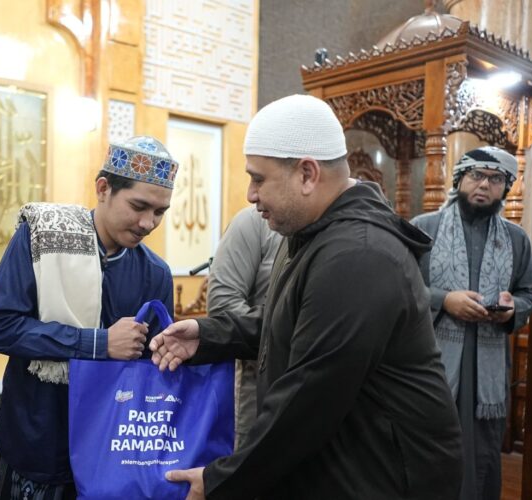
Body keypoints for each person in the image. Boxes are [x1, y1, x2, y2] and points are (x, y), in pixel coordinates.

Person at [149, 95, 463, 500]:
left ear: (307, 174)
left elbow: (310, 396)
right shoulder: (317, 235)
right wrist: (209, 336)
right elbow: (294, 322)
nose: (250, 195)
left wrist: (221, 479)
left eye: (258, 179)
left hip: (383, 476)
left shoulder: (358, 255)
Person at [0, 136, 179, 500]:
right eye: (139, 206)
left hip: (112, 448)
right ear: (103, 189)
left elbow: (154, 371)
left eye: (160, 212)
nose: (148, 223)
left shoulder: (155, 274)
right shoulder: (41, 240)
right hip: (38, 441)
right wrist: (98, 344)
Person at [410, 146, 532, 500]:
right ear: (459, 179)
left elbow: (531, 294)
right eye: (476, 175)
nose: (484, 185)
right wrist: (444, 300)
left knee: (482, 456)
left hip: (488, 373)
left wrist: (512, 308)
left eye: (495, 179)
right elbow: (399, 289)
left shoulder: (515, 239)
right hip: (432, 363)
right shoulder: (423, 229)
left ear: (505, 187)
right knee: (430, 449)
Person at [207, 206, 281, 449]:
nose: (253, 194)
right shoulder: (253, 223)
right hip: (259, 389)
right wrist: (291, 338)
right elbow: (223, 308)